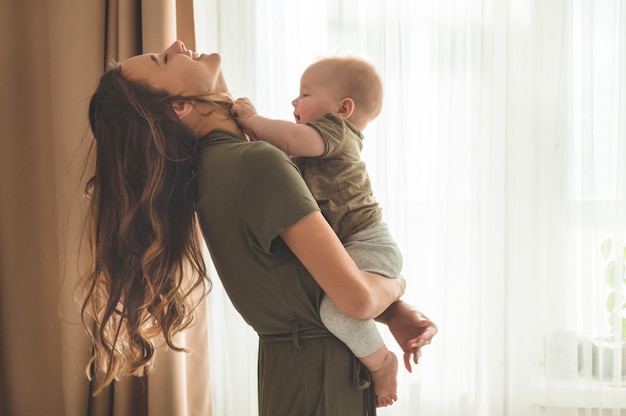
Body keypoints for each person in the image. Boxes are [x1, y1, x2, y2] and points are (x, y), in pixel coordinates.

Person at [82, 40, 437, 415]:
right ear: (180, 107)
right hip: (322, 382)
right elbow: (357, 299)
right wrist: (397, 284)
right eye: (164, 58)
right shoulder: (255, 164)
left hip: (297, 376)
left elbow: (302, 281)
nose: (178, 44)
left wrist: (392, 311)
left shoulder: (216, 170)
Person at [231, 54, 409, 407]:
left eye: (306, 94)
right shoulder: (318, 146)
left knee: (335, 311)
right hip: (356, 244)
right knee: (334, 301)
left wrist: (253, 120)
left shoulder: (336, 132)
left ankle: (380, 362)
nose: (295, 102)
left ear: (343, 108)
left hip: (368, 241)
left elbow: (293, 140)